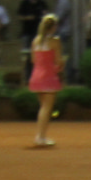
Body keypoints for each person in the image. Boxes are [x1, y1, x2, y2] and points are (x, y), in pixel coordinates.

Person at [26, 13, 64, 148]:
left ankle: (41, 136)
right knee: (47, 108)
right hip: (48, 76)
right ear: (53, 27)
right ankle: (40, 137)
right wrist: (60, 66)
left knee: (43, 108)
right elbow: (58, 61)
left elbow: (33, 60)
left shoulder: (35, 41)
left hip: (36, 76)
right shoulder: (55, 41)